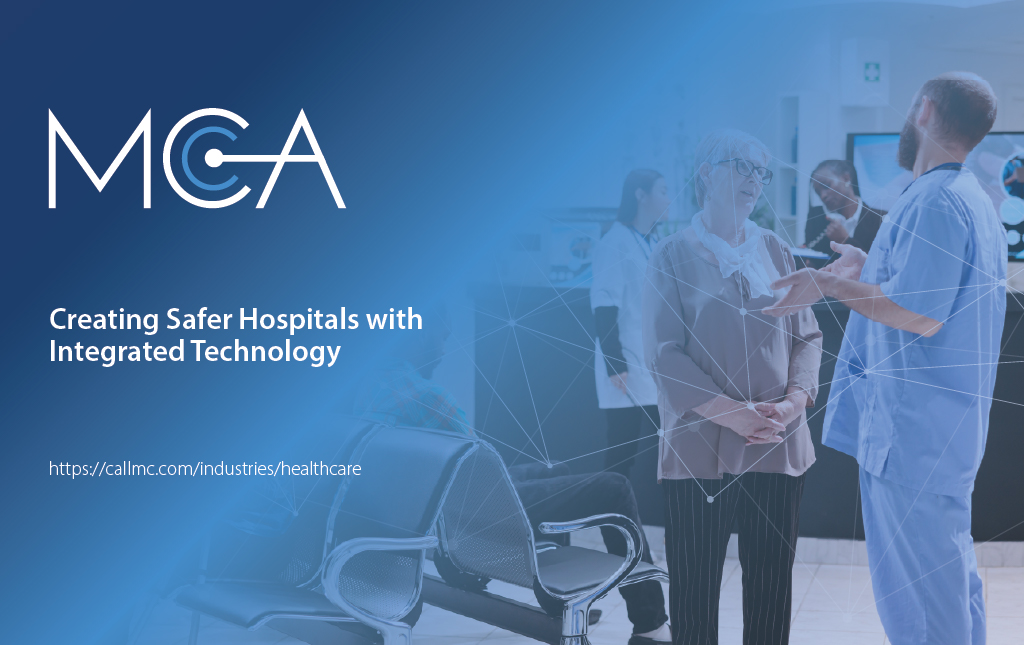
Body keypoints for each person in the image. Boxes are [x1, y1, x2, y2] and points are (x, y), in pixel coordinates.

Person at [766, 72, 1004, 645]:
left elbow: (920, 313)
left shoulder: (940, 201)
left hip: (913, 436)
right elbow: (919, 291)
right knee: (947, 585)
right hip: (929, 436)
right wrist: (863, 267)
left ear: (924, 111)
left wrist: (829, 287)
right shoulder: (960, 197)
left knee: (920, 603)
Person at [353, 310, 673, 645]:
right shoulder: (429, 399)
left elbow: (470, 467)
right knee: (615, 487)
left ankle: (557, 601)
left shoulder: (374, 382)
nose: (444, 349)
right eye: (441, 338)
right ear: (420, 336)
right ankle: (650, 625)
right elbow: (480, 472)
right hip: (472, 518)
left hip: (440, 507)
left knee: (555, 470)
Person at [642, 129, 823, 645]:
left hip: (777, 440)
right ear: (706, 173)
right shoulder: (671, 255)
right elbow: (663, 355)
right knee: (695, 593)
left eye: (760, 171)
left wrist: (793, 402)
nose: (754, 180)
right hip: (700, 446)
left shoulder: (777, 250)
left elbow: (807, 334)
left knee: (770, 589)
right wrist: (730, 412)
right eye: (741, 166)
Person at [591, 169, 669, 484]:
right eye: (662, 191)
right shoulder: (615, 242)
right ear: (641, 195)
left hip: (655, 362)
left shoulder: (652, 242)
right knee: (622, 451)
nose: (668, 199)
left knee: (673, 446)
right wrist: (614, 363)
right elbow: (604, 304)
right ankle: (612, 530)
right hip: (626, 364)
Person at [803, 159, 886, 263]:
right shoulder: (817, 219)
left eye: (826, 186)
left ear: (846, 179)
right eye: (818, 192)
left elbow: (881, 266)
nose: (823, 196)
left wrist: (846, 241)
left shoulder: (879, 219)